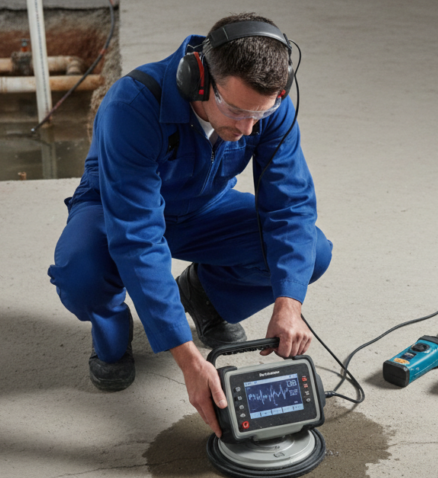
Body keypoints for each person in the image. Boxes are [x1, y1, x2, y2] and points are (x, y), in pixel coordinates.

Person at [47, 13, 332, 437]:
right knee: (80, 273)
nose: (247, 129)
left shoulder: (266, 109)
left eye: (260, 115)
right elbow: (138, 237)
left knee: (311, 251)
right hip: (117, 209)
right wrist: (189, 361)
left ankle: (204, 296)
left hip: (203, 208)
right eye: (235, 111)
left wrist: (289, 305)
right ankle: (113, 332)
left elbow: (289, 207)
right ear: (197, 79)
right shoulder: (131, 105)